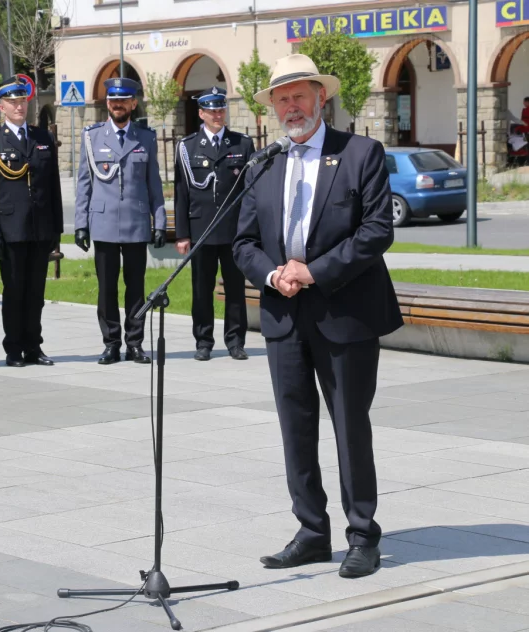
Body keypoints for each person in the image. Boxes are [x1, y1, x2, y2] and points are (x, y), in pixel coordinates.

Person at [233, 54, 403, 578]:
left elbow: (376, 231)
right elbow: (243, 242)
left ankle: (362, 535)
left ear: (320, 97)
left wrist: (312, 272)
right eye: (281, 99)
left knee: (350, 427)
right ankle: (311, 532)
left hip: (345, 312)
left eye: (299, 96)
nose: (291, 107)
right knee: (296, 428)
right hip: (283, 314)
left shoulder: (360, 153)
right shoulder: (263, 164)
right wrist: (272, 275)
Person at [74, 77, 165, 365]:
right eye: (113, 100)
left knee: (135, 288)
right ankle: (111, 343)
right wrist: (80, 224)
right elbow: (84, 183)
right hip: (103, 224)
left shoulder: (145, 138)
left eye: (123, 100)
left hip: (136, 223)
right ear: (107, 103)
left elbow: (154, 184)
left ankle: (134, 343)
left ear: (133, 103)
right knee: (107, 289)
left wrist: (160, 221)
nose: (118, 105)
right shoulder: (92, 137)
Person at [0, 76, 62, 367]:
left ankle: (33, 346)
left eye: (22, 101)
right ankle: (13, 348)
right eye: (12, 102)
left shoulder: (42, 138)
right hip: (10, 230)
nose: (19, 107)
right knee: (14, 292)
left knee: (36, 293)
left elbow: (53, 187)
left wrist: (56, 229)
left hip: (40, 228)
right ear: (1, 107)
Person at [173, 87, 254, 361]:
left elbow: (250, 191)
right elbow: (181, 192)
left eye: (221, 110)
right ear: (201, 114)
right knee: (201, 289)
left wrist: (251, 230)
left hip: (234, 230)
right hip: (201, 230)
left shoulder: (242, 144)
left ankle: (235, 341)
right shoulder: (187, 147)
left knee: (235, 289)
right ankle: (203, 341)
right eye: (212, 111)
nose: (218, 115)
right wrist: (182, 234)